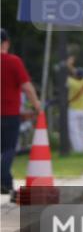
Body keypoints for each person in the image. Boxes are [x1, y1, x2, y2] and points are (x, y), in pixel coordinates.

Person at [1, 29, 42, 196]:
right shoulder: (14, 61)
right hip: (9, 113)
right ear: (7, 43)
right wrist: (37, 105)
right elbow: (27, 88)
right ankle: (3, 178)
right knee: (9, 148)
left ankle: (7, 184)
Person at [65, 64, 83, 153]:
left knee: (74, 132)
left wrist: (69, 65)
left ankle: (78, 150)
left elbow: (69, 74)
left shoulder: (71, 82)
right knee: (82, 131)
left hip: (73, 110)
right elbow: (74, 72)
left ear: (76, 75)